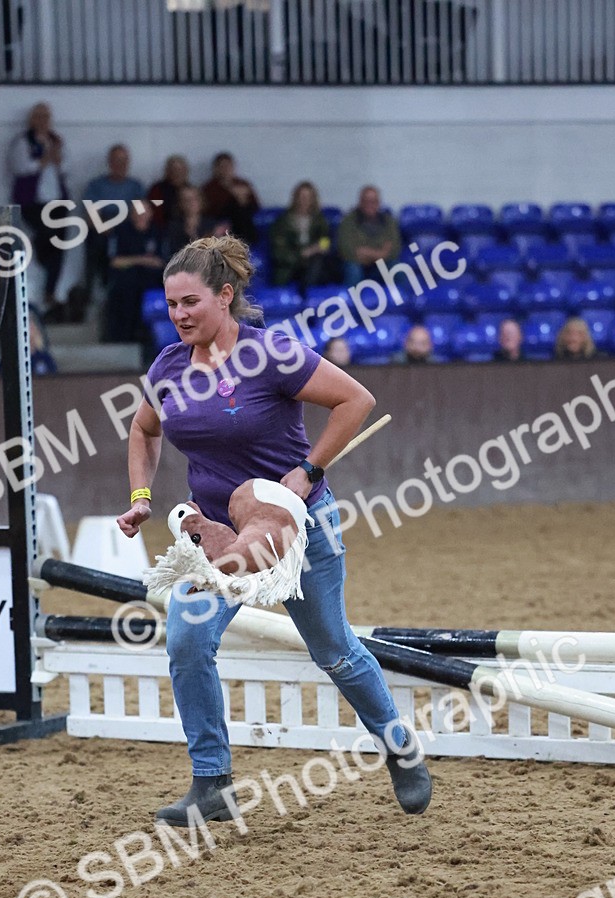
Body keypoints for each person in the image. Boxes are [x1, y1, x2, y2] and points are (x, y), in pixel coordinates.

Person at [116, 235, 432, 825]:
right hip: (216, 537)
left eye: (190, 302)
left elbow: (355, 400)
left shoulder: (272, 354)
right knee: (186, 643)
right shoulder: (167, 367)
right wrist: (140, 498)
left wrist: (309, 469)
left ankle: (398, 745)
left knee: (333, 650)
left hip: (297, 530)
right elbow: (143, 430)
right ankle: (212, 783)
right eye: (172, 304)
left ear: (225, 296)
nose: (179, 314)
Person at [9, 101, 70, 320]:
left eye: (46, 116)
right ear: (32, 119)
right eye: (39, 116)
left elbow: (67, 168)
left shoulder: (56, 141)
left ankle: (50, 292)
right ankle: (44, 265)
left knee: (59, 244)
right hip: (34, 203)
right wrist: (43, 161)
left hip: (57, 202)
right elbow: (19, 167)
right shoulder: (23, 142)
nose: (43, 121)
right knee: (46, 238)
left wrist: (58, 159)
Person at [82, 144, 146, 305]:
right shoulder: (96, 185)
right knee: (96, 244)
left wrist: (122, 230)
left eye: (124, 160)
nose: (120, 164)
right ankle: (89, 298)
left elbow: (141, 214)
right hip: (103, 230)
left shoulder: (136, 186)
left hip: (128, 231)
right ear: (109, 162)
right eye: (117, 160)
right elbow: (92, 216)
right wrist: (110, 230)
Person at [105, 202, 164, 355]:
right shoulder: (121, 231)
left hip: (151, 282)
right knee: (126, 291)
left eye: (144, 211)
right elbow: (115, 261)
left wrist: (134, 261)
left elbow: (161, 262)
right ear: (131, 214)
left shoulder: (157, 232)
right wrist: (142, 260)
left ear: (151, 213)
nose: (141, 215)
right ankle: (125, 340)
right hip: (126, 283)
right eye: (137, 211)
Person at [269, 181, 335, 290]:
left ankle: (309, 293)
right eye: (302, 196)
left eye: (308, 197)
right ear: (296, 198)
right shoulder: (283, 221)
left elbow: (325, 239)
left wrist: (321, 247)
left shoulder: (319, 219)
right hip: (290, 265)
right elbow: (279, 252)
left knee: (320, 263)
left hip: (313, 262)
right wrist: (302, 253)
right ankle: (306, 293)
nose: (304, 200)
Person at [337, 185, 401, 288]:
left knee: (397, 268)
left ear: (379, 203)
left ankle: (407, 298)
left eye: (373, 201)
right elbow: (346, 251)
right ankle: (351, 298)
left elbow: (394, 250)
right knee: (353, 270)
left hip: (382, 266)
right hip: (357, 265)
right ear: (360, 202)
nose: (370, 205)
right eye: (366, 201)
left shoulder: (389, 222)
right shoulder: (348, 221)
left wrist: (366, 252)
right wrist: (380, 253)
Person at [202, 152, 260, 245]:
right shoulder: (209, 188)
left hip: (242, 221)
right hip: (219, 221)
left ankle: (246, 243)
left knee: (240, 211)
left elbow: (256, 207)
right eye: (222, 166)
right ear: (216, 169)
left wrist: (242, 200)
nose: (225, 169)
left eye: (228, 166)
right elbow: (206, 210)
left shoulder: (243, 184)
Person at [165, 185, 227, 257]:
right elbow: (173, 254)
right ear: (180, 203)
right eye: (186, 200)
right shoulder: (174, 226)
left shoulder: (213, 225)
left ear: (201, 200)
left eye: (195, 198)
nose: (191, 203)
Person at [147, 155, 190, 228]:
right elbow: (154, 215)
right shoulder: (157, 190)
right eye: (174, 169)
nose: (177, 173)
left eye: (180, 170)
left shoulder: (191, 191)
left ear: (186, 171)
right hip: (163, 229)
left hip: (188, 229)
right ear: (167, 171)